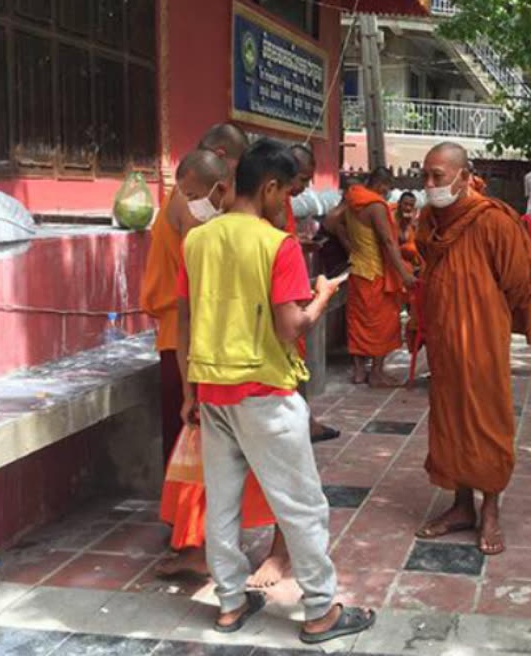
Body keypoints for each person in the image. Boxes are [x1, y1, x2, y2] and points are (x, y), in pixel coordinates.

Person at [178, 138, 375, 642]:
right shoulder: (276, 244)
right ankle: (318, 611)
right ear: (268, 188)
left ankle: (228, 603)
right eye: (286, 192)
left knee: (222, 503)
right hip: (264, 390)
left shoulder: (197, 240)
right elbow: (292, 327)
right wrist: (324, 296)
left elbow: (185, 320)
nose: (286, 203)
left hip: (211, 390)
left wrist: (188, 391)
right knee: (303, 505)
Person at [156, 149, 286, 585]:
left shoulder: (227, 237)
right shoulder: (217, 236)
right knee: (248, 476)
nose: (188, 201)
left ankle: (243, 581)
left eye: (193, 193)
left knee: (252, 475)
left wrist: (191, 387)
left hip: (237, 372)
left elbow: (189, 315)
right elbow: (188, 314)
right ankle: (309, 603)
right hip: (230, 375)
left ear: (224, 185)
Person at [413, 141, 531, 556]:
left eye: (438, 177)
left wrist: (483, 308)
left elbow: (519, 282)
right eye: (426, 176)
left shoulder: (494, 220)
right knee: (450, 419)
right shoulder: (429, 219)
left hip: (483, 340)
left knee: (487, 419)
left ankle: (492, 510)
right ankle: (461, 506)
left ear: (465, 177)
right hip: (445, 340)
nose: (430, 185)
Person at [141, 122, 249, 466]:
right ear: (220, 157)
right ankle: (183, 516)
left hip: (189, 325)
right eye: (236, 167)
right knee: (188, 431)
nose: (232, 181)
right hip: (184, 329)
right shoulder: (192, 201)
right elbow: (201, 273)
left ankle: (190, 513)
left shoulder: (193, 196)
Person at [287, 144, 342, 444]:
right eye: (303, 179)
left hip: (292, 298)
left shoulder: (281, 205)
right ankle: (300, 424)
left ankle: (305, 420)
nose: (305, 188)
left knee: (296, 366)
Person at [344, 167, 416, 386]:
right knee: (383, 322)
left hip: (356, 269)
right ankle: (376, 372)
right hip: (375, 272)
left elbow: (332, 222)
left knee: (358, 321)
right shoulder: (375, 205)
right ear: (382, 185)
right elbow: (387, 241)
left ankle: (358, 372)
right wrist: (404, 274)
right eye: (387, 188)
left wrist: (350, 246)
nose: (387, 193)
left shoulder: (351, 199)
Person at [396, 191, 422, 273]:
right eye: (405, 204)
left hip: (411, 264)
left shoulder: (414, 222)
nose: (408, 208)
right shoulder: (390, 218)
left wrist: (413, 226)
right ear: (399, 203)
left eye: (411, 205)